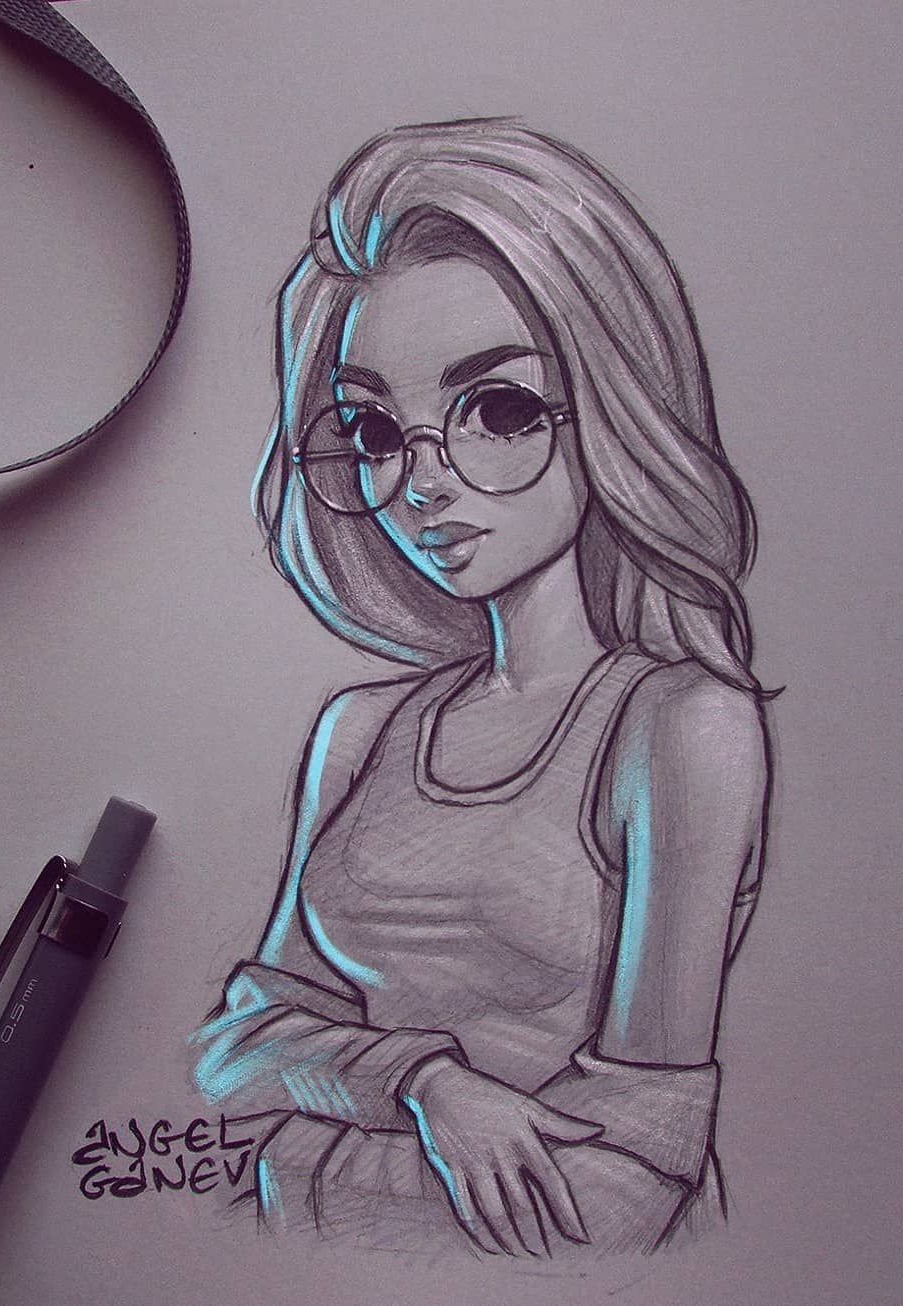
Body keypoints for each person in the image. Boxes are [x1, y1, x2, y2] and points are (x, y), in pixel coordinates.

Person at [192, 118, 771, 1259]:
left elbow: (640, 1161)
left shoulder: (681, 726)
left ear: (615, 401)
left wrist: (307, 1159)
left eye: (498, 410)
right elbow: (236, 1049)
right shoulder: (361, 732)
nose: (423, 484)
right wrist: (430, 1085)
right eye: (374, 429)